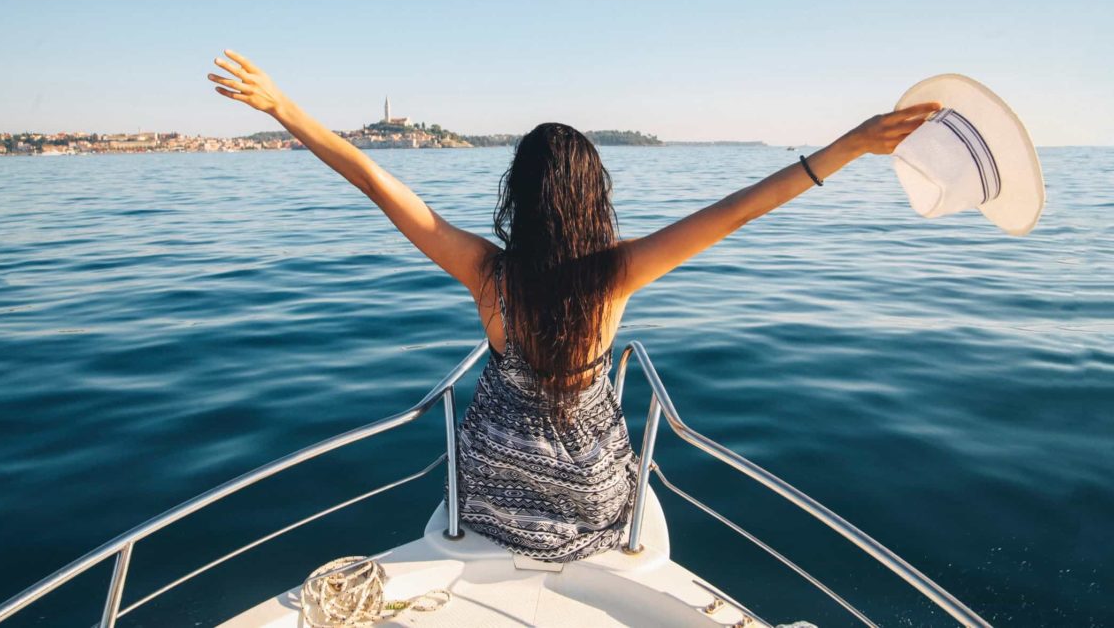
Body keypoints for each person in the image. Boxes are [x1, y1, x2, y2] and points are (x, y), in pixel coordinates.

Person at [208, 49, 940, 562]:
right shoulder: (614, 276)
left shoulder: (485, 273)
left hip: (491, 488)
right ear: (594, 197)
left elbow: (373, 179)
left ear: (517, 199)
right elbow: (739, 208)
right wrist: (849, 146)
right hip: (587, 495)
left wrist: (282, 107)